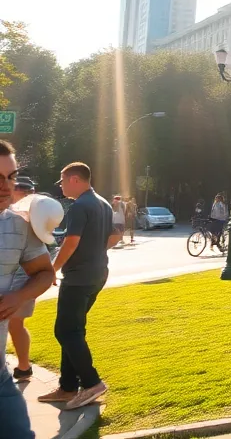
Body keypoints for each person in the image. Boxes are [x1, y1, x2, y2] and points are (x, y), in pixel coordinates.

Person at [38, 161, 121, 411]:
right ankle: (67, 387)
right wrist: (94, 252)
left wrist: (51, 269)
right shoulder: (104, 204)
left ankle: (92, 383)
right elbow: (115, 236)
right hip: (98, 274)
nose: (61, 186)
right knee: (74, 331)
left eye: (62, 181)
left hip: (78, 278)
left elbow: (71, 243)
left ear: (75, 179)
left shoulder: (79, 206)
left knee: (65, 331)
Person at [0, 144, 56, 439]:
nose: (7, 187)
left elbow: (46, 274)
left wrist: (18, 296)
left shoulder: (20, 227)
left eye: (11, 177)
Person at [6, 176, 41, 383]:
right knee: (13, 323)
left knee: (14, 322)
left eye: (27, 190)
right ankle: (23, 367)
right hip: (14, 274)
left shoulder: (32, 214)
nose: (23, 193)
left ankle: (24, 366)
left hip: (21, 277)